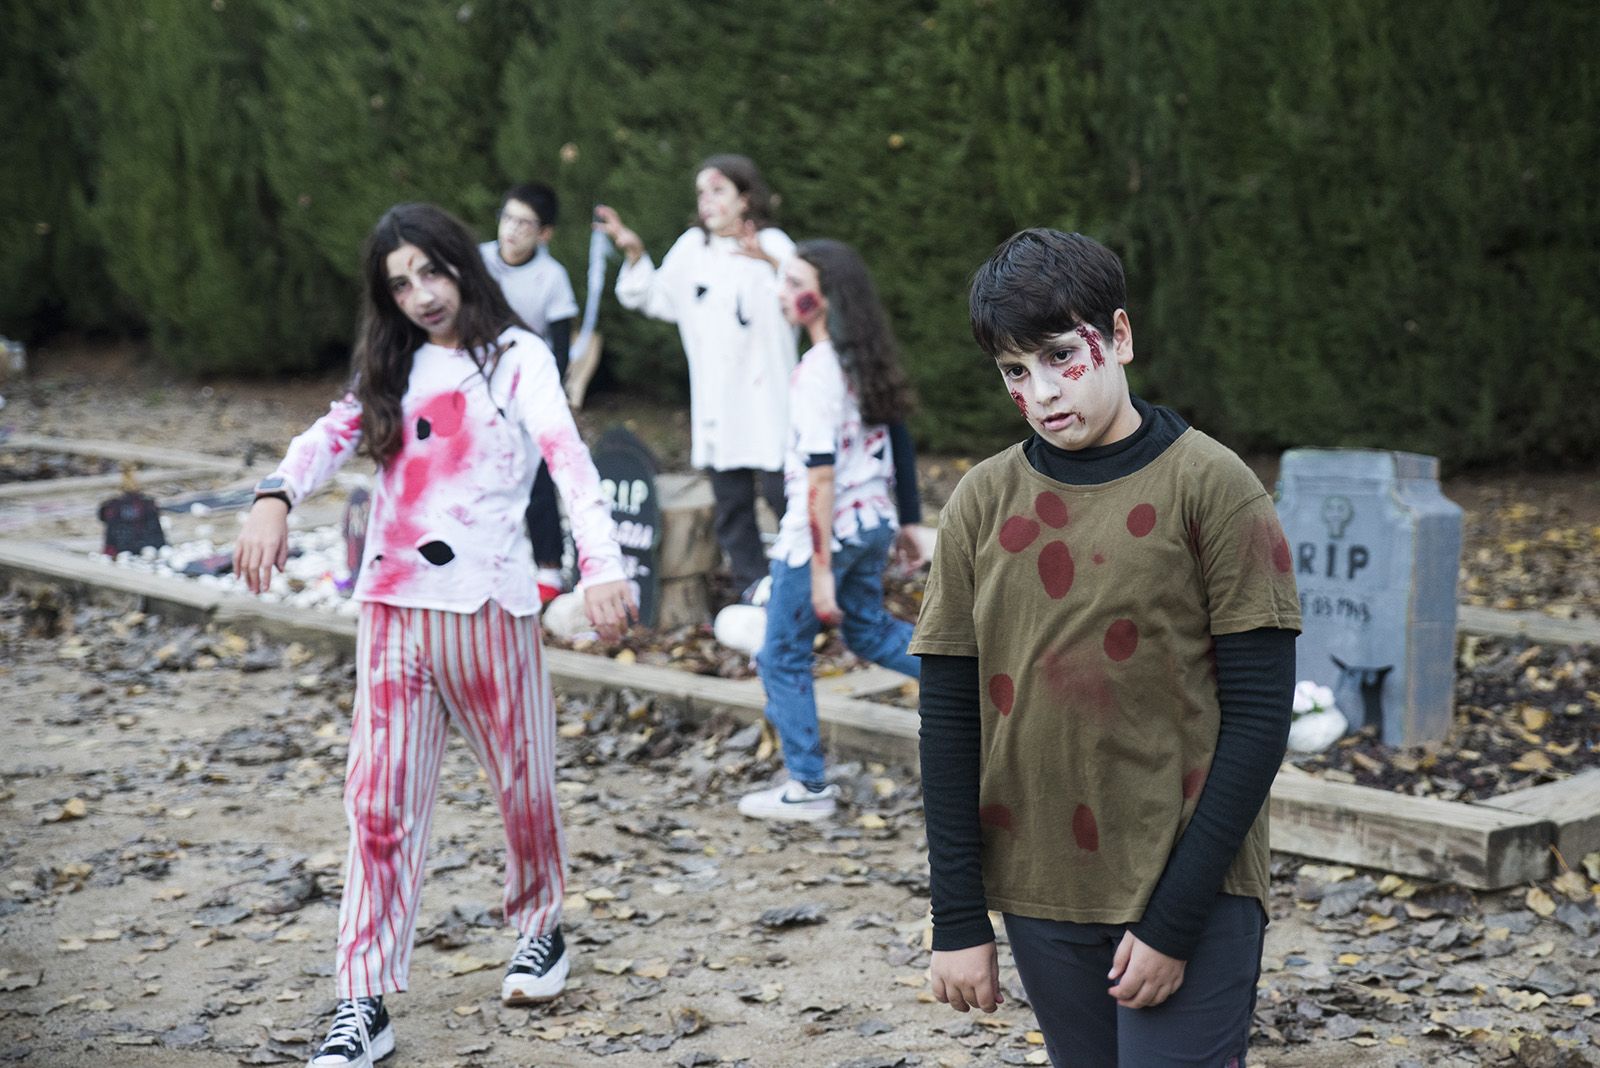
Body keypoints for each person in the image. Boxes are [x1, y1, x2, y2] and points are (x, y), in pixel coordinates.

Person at [233, 202, 636, 1068]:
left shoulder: (517, 358)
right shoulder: (390, 367)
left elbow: (570, 460)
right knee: (376, 809)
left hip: (491, 609)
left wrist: (602, 564)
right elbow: (326, 438)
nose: (420, 295)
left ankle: (540, 928)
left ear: (463, 265)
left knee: (524, 791)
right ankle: (362, 999)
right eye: (400, 283)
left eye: (431, 272)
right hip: (393, 614)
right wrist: (273, 496)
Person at [911, 229, 1301, 1066]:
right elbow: (947, 720)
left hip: (1191, 884)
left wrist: (1174, 922)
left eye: (1061, 356)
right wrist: (957, 916)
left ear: (1118, 337)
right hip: (1042, 884)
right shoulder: (981, 501)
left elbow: (1262, 720)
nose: (1043, 390)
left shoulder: (1215, 486)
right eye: (1016, 372)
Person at [737, 239, 927, 822]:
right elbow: (893, 443)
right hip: (871, 522)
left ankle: (808, 786)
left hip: (827, 532)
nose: (782, 292)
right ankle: (975, 682)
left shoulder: (816, 373)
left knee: (780, 654)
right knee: (869, 630)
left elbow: (820, 478)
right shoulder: (861, 361)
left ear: (820, 300)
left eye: (794, 283)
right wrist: (906, 519)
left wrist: (818, 573)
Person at [594, 154, 795, 602]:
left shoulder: (776, 243)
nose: (707, 201)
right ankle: (753, 590)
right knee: (732, 504)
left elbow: (808, 301)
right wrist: (634, 252)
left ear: (745, 198)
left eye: (718, 190)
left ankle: (810, 586)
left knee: (787, 498)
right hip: (719, 402)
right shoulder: (692, 248)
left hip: (770, 399)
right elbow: (654, 296)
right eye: (701, 192)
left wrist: (774, 264)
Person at [479, 181, 580, 604]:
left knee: (538, 478)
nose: (512, 230)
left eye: (525, 223)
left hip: (527, 387)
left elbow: (559, 347)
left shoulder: (551, 278)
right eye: (508, 218)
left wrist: (541, 393)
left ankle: (549, 569)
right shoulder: (478, 262)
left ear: (544, 233)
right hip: (478, 385)